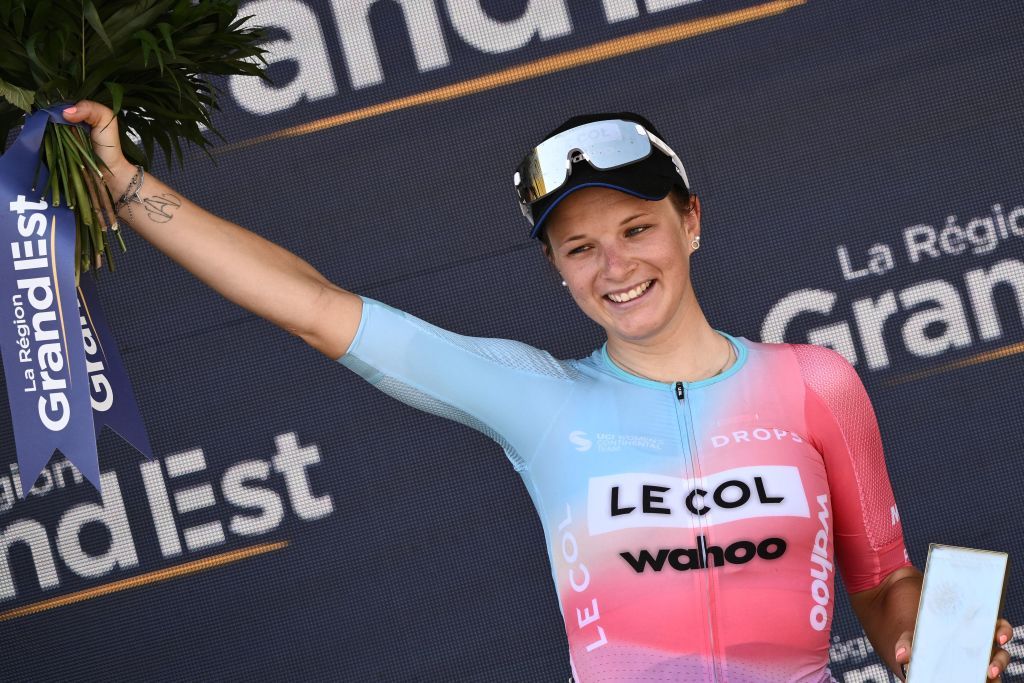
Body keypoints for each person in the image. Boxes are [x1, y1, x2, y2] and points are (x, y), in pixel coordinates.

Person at [61, 101, 1012, 682]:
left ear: (690, 220)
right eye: (579, 247)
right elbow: (314, 307)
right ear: (558, 270)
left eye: (636, 228)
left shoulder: (813, 382)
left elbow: (884, 580)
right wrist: (130, 184)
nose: (615, 265)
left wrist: (936, 649)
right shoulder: (537, 398)